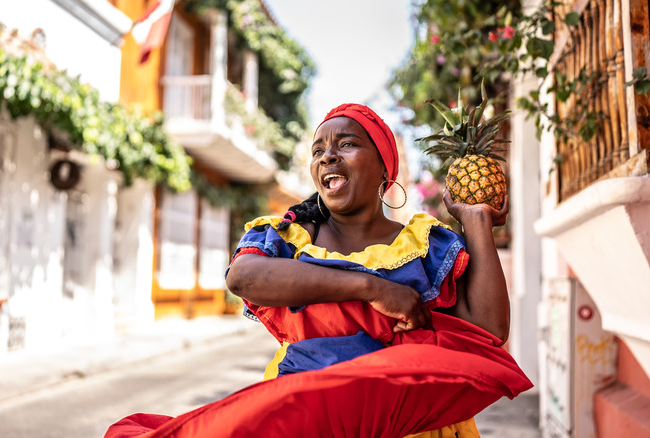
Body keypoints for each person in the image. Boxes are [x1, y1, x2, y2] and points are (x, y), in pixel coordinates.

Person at [105, 104, 532, 438]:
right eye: (318, 149)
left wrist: (476, 220)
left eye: (346, 144)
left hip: (415, 429)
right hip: (306, 422)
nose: (328, 155)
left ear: (385, 167)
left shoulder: (426, 245)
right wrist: (371, 288)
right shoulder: (288, 237)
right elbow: (244, 277)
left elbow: (489, 331)